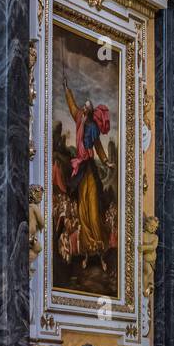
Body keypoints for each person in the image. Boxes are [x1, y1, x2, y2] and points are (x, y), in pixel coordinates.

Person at [63, 79, 113, 273]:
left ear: (91, 113)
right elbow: (71, 106)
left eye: (86, 107)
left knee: (92, 202)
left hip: (88, 165)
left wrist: (107, 161)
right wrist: (67, 89)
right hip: (81, 165)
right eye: (83, 107)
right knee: (82, 202)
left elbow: (99, 147)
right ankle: (85, 243)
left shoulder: (92, 128)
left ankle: (96, 241)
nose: (83, 108)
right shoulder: (79, 119)